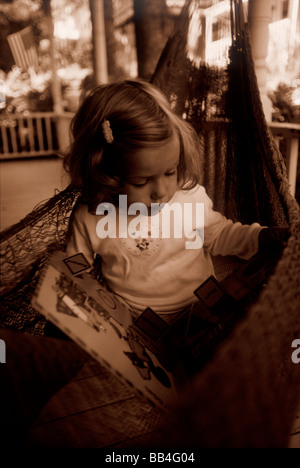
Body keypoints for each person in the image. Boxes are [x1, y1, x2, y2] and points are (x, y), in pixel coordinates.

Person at [64, 79, 289, 324]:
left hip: (206, 310)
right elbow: (75, 264)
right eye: (141, 182)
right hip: (135, 325)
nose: (161, 191)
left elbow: (220, 235)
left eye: (170, 172)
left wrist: (259, 238)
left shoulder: (189, 198)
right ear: (105, 174)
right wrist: (75, 296)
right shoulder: (92, 215)